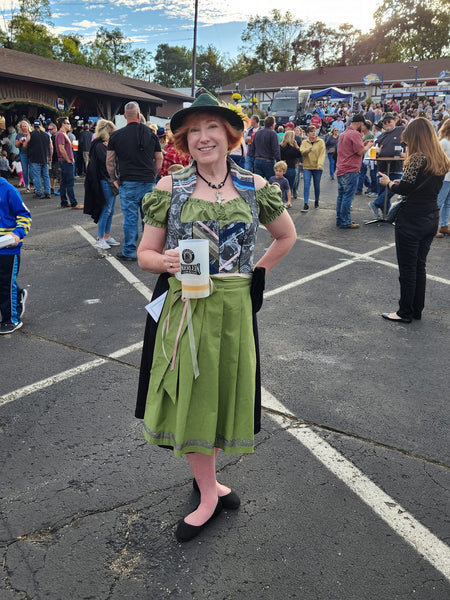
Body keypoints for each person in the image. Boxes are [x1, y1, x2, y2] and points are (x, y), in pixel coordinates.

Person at [135, 93, 296, 543]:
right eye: (193, 131)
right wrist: (165, 262)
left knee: (226, 394)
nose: (203, 137)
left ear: (230, 134)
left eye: (212, 128)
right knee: (196, 399)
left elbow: (286, 236)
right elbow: (145, 254)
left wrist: (255, 277)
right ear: (185, 141)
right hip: (187, 307)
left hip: (235, 308)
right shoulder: (171, 187)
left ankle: (208, 478)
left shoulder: (255, 185)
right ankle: (208, 493)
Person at [378, 117, 450, 323]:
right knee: (420, 266)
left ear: (415, 136)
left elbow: (405, 189)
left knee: (408, 268)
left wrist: (389, 183)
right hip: (431, 215)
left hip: (412, 218)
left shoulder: (417, 158)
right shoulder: (440, 158)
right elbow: (423, 185)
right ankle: (416, 309)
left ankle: (404, 312)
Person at [107, 101, 163, 261]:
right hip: (147, 181)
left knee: (130, 219)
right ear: (139, 116)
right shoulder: (151, 134)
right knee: (149, 218)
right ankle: (150, 250)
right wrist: (153, 175)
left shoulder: (116, 135)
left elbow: (110, 162)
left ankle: (130, 251)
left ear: (125, 116)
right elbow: (159, 158)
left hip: (127, 182)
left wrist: (114, 179)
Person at [0, 176, 32, 334]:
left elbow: (25, 215)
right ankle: (18, 293)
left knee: (5, 283)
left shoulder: (7, 190)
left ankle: (11, 319)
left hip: (8, 248)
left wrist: (17, 234)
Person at [83, 119, 121, 249]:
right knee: (107, 210)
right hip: (105, 180)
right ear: (108, 132)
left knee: (110, 210)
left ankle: (106, 236)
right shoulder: (99, 145)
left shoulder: (102, 144)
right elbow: (107, 163)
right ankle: (100, 238)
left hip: (110, 180)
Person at [335, 114, 374, 229]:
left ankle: (340, 219)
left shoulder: (343, 134)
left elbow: (352, 149)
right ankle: (345, 221)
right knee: (347, 197)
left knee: (341, 196)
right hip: (350, 169)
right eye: (362, 125)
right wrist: (369, 145)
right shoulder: (355, 134)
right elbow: (360, 151)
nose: (362, 128)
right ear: (359, 124)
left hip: (341, 168)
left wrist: (364, 144)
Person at [368, 112, 405, 219]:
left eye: (389, 121)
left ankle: (375, 204)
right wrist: (378, 152)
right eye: (385, 122)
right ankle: (387, 216)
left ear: (395, 121)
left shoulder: (401, 130)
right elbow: (377, 148)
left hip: (397, 167)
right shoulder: (381, 136)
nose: (387, 123)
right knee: (383, 192)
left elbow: (411, 143)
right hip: (382, 167)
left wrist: (407, 153)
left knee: (394, 188)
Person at [55, 117, 83, 209]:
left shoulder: (63, 134)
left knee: (64, 182)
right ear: (63, 124)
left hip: (65, 160)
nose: (69, 125)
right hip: (66, 161)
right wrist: (68, 160)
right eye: (68, 123)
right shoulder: (61, 134)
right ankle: (74, 203)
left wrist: (70, 146)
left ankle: (64, 202)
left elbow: (63, 147)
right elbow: (61, 148)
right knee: (70, 182)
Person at [300, 125, 325, 210]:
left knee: (316, 185)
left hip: (317, 167)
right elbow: (302, 152)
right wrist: (308, 150)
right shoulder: (304, 142)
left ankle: (316, 201)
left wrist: (320, 165)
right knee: (306, 184)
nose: (313, 133)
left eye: (314, 131)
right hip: (307, 166)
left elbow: (322, 154)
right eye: (311, 131)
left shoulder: (321, 142)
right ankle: (306, 203)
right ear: (308, 133)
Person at [25, 120, 52, 199]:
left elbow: (25, 144)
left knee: (36, 176)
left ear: (33, 126)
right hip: (45, 158)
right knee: (46, 176)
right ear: (41, 126)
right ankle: (48, 192)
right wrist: (50, 156)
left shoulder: (31, 134)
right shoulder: (46, 135)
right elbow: (51, 147)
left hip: (35, 158)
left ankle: (39, 192)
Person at [252, 116, 280, 181]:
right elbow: (276, 149)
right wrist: (279, 161)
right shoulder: (273, 134)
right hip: (268, 161)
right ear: (273, 125)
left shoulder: (257, 133)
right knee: (271, 183)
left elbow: (252, 147)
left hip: (257, 160)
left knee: (258, 183)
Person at [435, 119, 450, 237]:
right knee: (438, 202)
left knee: (448, 203)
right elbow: (438, 159)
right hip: (444, 177)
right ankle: (433, 227)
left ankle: (444, 225)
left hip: (448, 177)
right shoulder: (443, 142)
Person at [279, 131, 302, 197]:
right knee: (289, 187)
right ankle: (287, 201)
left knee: (281, 186)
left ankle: (281, 200)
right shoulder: (293, 149)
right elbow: (300, 154)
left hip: (281, 168)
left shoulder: (280, 147)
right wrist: (297, 146)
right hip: (291, 168)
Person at [14, 120, 32, 192]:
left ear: (28, 126)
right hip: (23, 153)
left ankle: (35, 185)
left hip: (31, 153)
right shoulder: (19, 135)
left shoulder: (31, 134)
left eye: (25, 126)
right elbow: (16, 145)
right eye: (22, 126)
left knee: (33, 169)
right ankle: (27, 185)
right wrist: (20, 142)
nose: (24, 128)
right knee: (25, 169)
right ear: (20, 127)